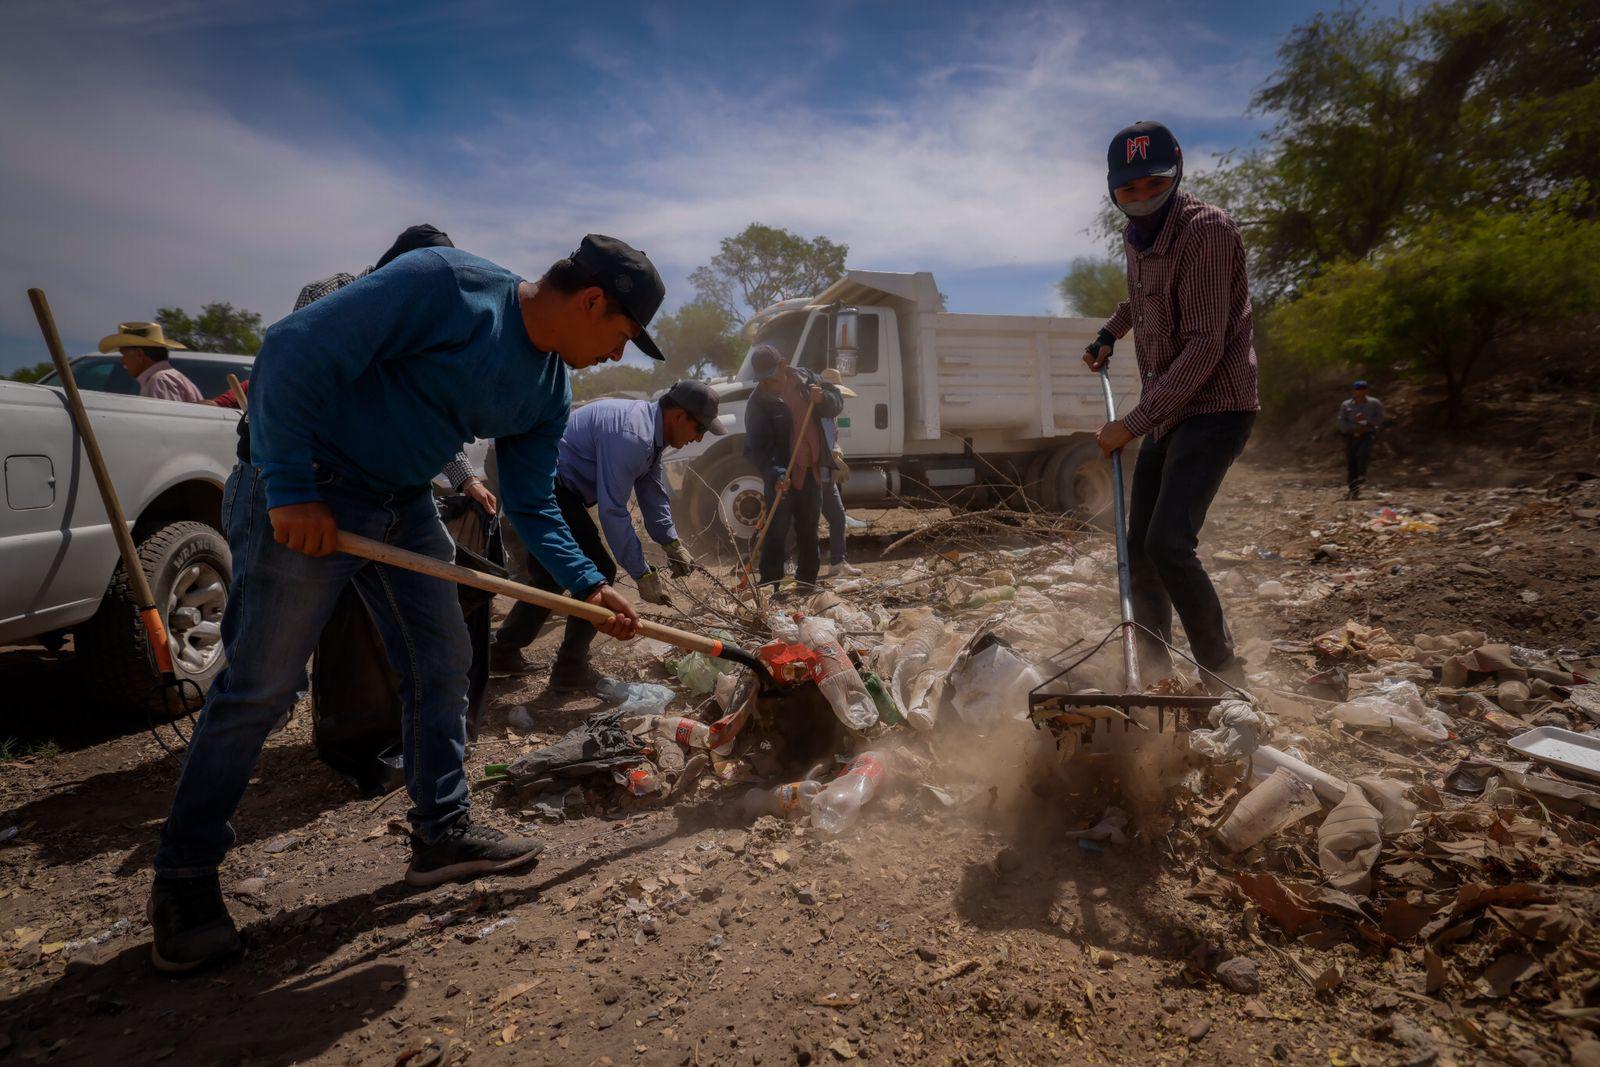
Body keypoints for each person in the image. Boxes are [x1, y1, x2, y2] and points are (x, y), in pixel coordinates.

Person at [148, 234, 661, 974]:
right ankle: (185, 876)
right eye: (621, 336)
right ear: (590, 301)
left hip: (403, 502)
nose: (617, 356)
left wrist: (586, 583)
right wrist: (290, 486)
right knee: (261, 687)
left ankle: (441, 831)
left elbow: (529, 499)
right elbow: (291, 349)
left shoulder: (548, 388)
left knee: (442, 661)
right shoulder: (444, 286)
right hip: (309, 488)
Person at [1082, 120, 1260, 693]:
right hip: (1171, 406)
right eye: (1127, 189)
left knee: (1167, 544)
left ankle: (1222, 671)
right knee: (1138, 547)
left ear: (1177, 174)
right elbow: (1138, 298)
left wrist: (1130, 425)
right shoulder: (1138, 240)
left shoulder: (1206, 231)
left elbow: (1207, 343)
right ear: (1114, 190)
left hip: (1217, 404)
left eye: (1152, 184)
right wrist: (1111, 332)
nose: (1140, 198)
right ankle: (1153, 670)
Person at [208, 224, 497, 515]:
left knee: (436, 552)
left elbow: (425, 414)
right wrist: (294, 482)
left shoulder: (419, 330)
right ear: (403, 273)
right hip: (310, 479)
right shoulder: (329, 295)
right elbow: (296, 386)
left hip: (378, 488)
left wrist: (467, 479)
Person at [490, 380, 727, 682]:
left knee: (550, 574)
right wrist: (641, 573)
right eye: (700, 429)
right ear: (679, 416)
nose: (699, 438)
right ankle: (570, 667)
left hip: (563, 487)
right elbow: (613, 512)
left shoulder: (651, 435)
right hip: (549, 484)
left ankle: (504, 650)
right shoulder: (634, 436)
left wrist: (671, 543)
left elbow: (651, 491)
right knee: (599, 570)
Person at [744, 344, 843, 589]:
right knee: (776, 530)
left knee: (809, 528)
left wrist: (824, 399)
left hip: (811, 473)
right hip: (782, 476)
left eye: (771, 376)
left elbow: (837, 401)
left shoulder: (807, 379)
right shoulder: (758, 402)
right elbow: (759, 448)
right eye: (762, 379)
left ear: (784, 365)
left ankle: (807, 582)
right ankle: (770, 584)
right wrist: (775, 473)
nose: (767, 383)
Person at [818, 367, 860, 579]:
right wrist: (836, 459)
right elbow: (826, 445)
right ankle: (790, 563)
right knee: (807, 522)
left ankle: (838, 562)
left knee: (837, 517)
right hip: (818, 475)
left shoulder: (829, 417)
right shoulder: (821, 417)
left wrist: (838, 457)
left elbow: (833, 444)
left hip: (827, 476)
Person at [98, 321, 203, 402]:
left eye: (123, 354)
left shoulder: (160, 380)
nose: (122, 360)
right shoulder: (165, 377)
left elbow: (165, 426)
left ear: (139, 354)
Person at [1337, 380, 1384, 499]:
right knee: (1351, 462)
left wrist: (1366, 423)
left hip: (1367, 434)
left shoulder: (1374, 403)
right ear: (1353, 390)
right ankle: (1353, 490)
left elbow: (1379, 418)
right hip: (1351, 436)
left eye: (1363, 389)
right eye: (1358, 389)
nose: (1361, 391)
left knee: (1363, 454)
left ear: (1367, 390)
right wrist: (1355, 428)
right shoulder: (1346, 405)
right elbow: (1342, 422)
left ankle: (1362, 475)